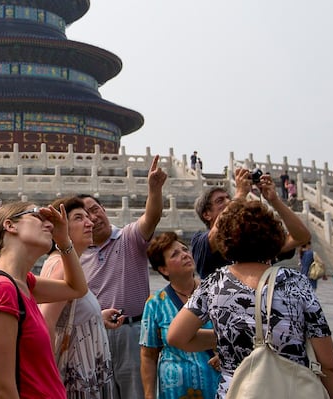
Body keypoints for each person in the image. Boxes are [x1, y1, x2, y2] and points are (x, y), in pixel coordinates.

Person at [166, 199, 333, 399]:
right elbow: (330, 365)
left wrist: (225, 336)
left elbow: (176, 336)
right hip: (292, 390)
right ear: (274, 237)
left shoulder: (214, 283)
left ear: (225, 240)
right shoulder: (295, 283)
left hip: (235, 392)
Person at [0, 201, 88, 398]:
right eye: (37, 216)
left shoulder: (23, 282)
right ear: (10, 225)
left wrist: (64, 241)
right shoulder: (1, 289)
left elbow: (76, 288)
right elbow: (3, 388)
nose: (50, 225)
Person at [78, 154, 167, 399]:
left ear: (104, 209)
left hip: (133, 332)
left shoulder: (128, 238)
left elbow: (152, 217)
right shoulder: (77, 256)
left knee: (136, 392)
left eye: (95, 210)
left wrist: (154, 189)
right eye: (85, 216)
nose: (93, 218)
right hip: (96, 335)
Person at [38, 196, 116, 398]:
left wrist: (97, 317)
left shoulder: (66, 265)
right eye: (79, 218)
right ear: (60, 228)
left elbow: (69, 314)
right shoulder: (62, 268)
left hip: (84, 371)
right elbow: (46, 323)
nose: (90, 223)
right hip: (75, 377)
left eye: (88, 217)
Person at [191, 168, 311, 279]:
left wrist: (274, 200)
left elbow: (301, 237)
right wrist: (240, 194)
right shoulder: (199, 241)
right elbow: (215, 235)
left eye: (229, 198)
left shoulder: (251, 240)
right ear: (206, 214)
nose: (229, 202)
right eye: (220, 200)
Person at [140, 232, 219, 399]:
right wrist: (149, 395)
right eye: (175, 254)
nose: (184, 255)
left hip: (217, 385)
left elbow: (236, 335)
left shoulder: (216, 292)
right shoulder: (155, 304)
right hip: (174, 391)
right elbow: (148, 355)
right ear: (163, 269)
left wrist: (224, 354)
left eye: (185, 249)